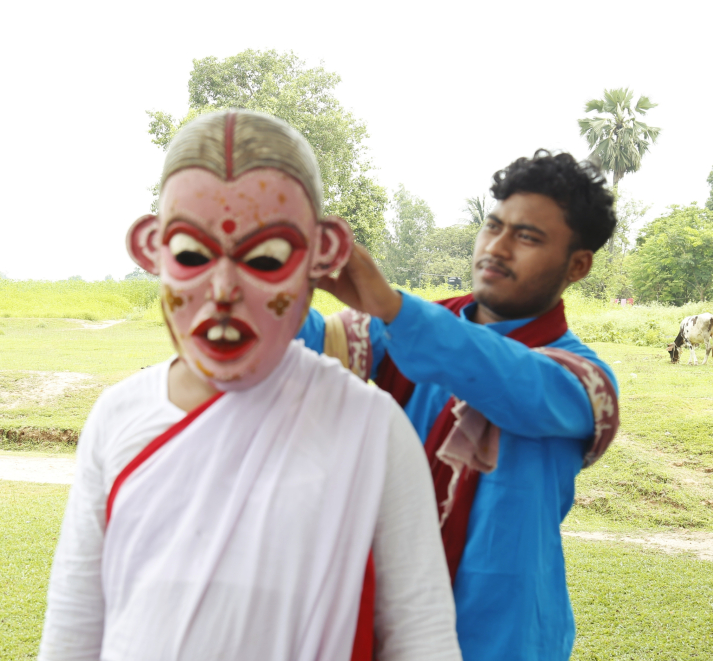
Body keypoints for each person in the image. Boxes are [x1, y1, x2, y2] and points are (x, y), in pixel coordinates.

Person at [38, 110, 462, 661]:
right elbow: (74, 629)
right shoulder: (117, 417)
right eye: (191, 254)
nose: (223, 290)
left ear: (321, 254)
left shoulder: (372, 430)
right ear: (151, 249)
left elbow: (421, 638)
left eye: (265, 258)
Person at [301, 150, 621, 661]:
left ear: (578, 266)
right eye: (493, 226)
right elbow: (304, 342)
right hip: (378, 626)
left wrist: (392, 308)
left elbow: (511, 379)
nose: (496, 247)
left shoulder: (583, 384)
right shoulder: (401, 331)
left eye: (527, 237)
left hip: (502, 642)